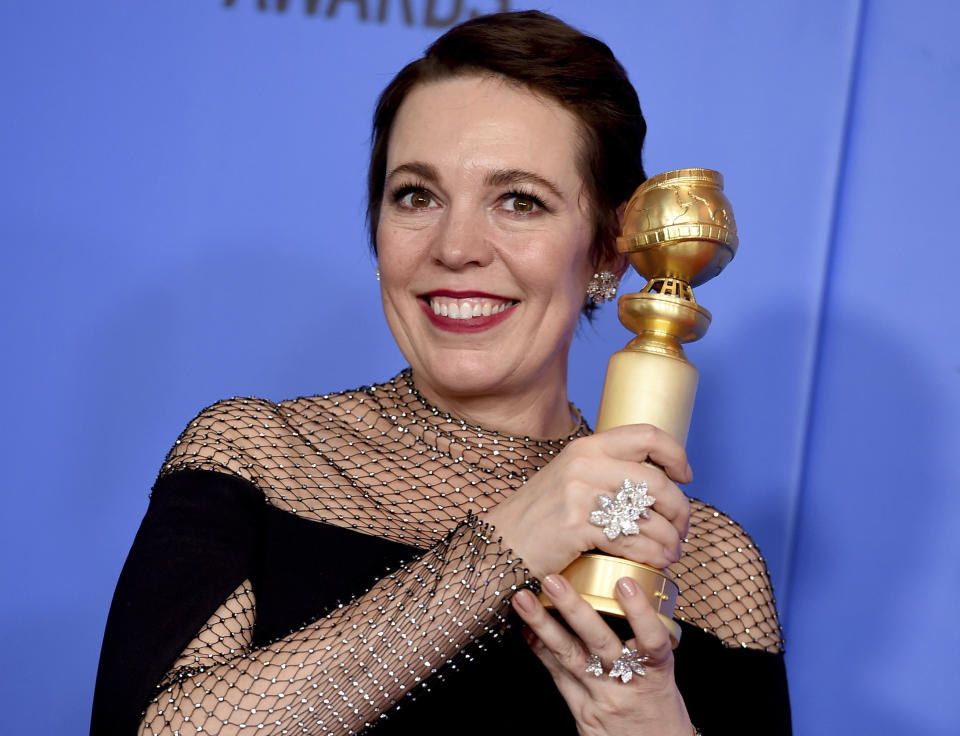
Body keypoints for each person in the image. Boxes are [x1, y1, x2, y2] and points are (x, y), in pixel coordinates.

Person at [92, 10, 790, 736]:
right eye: (416, 196)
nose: (455, 247)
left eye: (520, 202)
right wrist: (508, 543)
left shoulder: (709, 567)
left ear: (607, 255)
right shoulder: (256, 457)